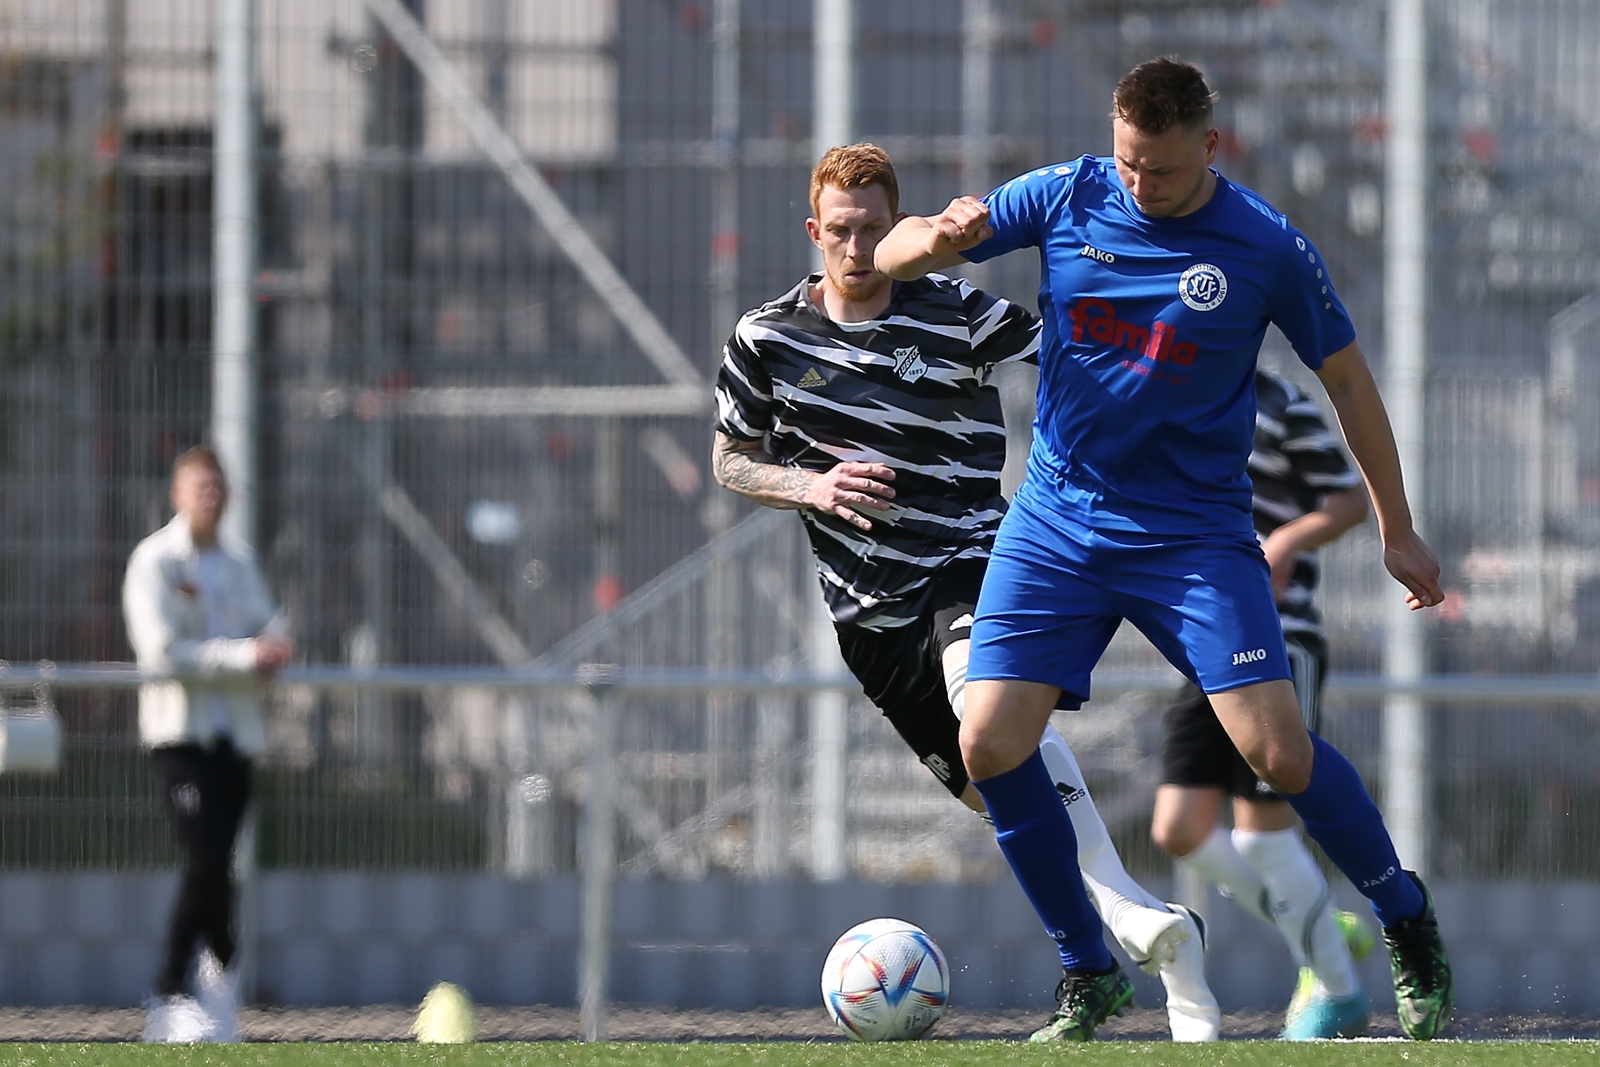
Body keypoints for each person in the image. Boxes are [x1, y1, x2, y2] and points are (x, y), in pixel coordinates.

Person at [875, 56, 1453, 1043]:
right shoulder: (1065, 193)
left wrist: (1396, 527)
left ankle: (1406, 919)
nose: (1142, 185)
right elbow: (893, 256)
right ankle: (1087, 969)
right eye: (1130, 162)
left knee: (1274, 748)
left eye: (1165, 171)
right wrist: (936, 235)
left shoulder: (1264, 244)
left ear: (1210, 148)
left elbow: (1350, 385)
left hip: (1192, 536)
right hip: (1056, 522)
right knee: (987, 741)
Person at [711, 142, 1222, 1041]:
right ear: (813, 231)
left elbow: (1071, 354)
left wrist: (1167, 360)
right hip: (869, 615)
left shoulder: (951, 309)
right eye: (841, 231)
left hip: (973, 558)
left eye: (874, 228)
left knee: (981, 705)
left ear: (895, 225)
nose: (859, 247)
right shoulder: (766, 339)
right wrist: (809, 486)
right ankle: (1107, 951)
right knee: (998, 791)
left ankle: (1121, 933)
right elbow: (730, 457)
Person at [1150, 367, 1375, 1040]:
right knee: (1178, 827)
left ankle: (1336, 990)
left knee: (1262, 832)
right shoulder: (1169, 394)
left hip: (1280, 642)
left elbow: (1348, 499)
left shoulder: (1281, 403)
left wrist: (1285, 540)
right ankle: (1308, 920)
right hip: (1205, 644)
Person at [123, 445, 292, 1043]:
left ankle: (220, 985)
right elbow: (162, 653)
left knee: (221, 866)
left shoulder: (240, 562)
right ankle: (166, 993)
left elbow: (270, 623)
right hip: (180, 737)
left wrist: (274, 645)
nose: (210, 496)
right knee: (204, 859)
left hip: (234, 737)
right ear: (178, 494)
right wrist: (244, 655)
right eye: (200, 486)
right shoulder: (156, 562)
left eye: (218, 486)